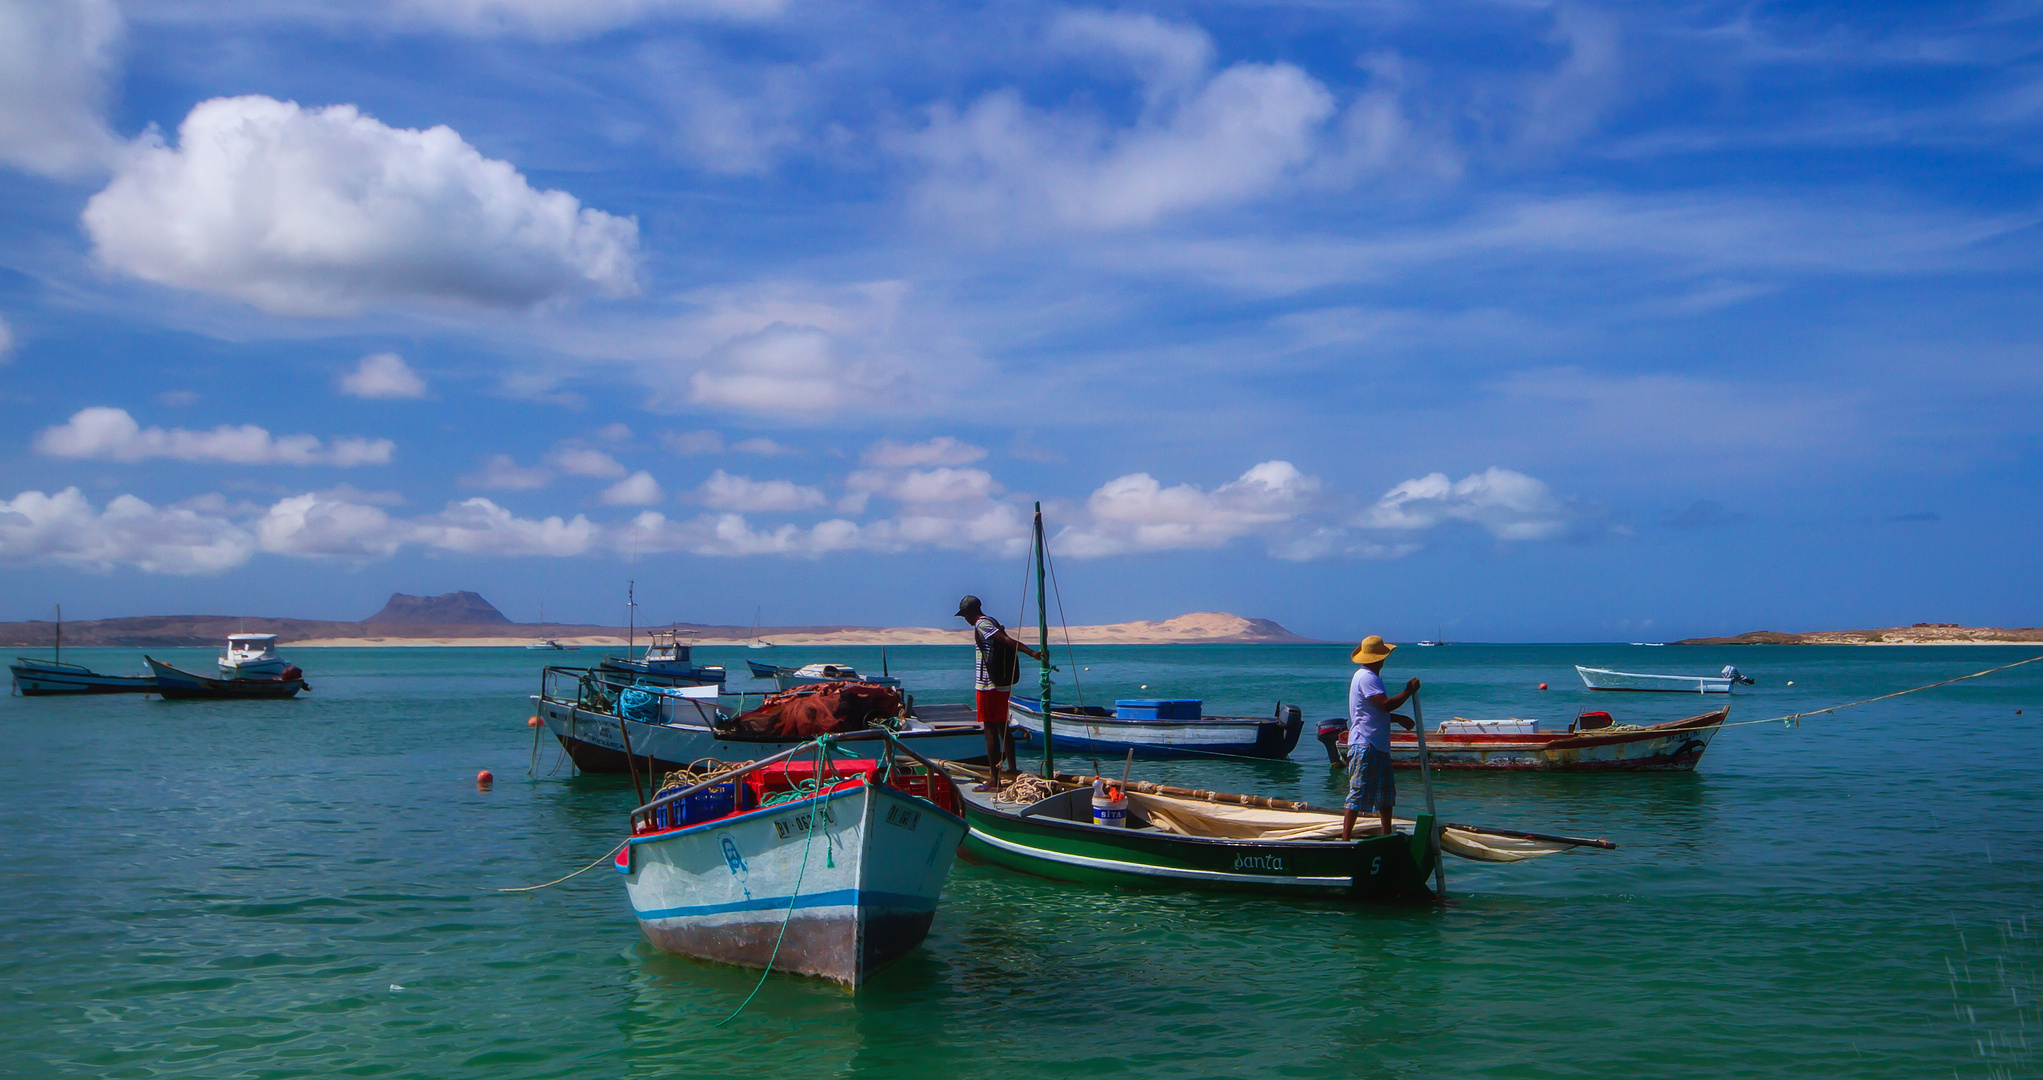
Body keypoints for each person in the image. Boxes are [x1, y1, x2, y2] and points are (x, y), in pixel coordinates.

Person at [955, 595, 1047, 792]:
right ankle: (1012, 768)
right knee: (1002, 727)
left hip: (989, 685)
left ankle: (994, 779)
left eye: (965, 615)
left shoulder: (982, 625)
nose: (965, 619)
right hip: (1000, 685)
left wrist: (1031, 653)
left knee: (989, 730)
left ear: (971, 612)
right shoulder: (993, 621)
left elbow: (1006, 640)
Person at [1342, 635, 1419, 842]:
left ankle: (1387, 835)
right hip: (1366, 743)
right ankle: (1345, 839)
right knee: (1358, 792)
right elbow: (1384, 705)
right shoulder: (1367, 677)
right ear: (1380, 658)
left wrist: (1398, 718)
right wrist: (1408, 691)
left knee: (1386, 794)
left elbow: (1372, 711)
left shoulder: (1369, 676)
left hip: (1377, 744)